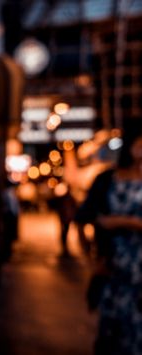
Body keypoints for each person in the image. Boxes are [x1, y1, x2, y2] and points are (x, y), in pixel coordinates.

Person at [76, 128, 142, 355]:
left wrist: (124, 222)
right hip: (113, 268)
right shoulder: (106, 179)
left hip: (138, 270)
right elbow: (83, 218)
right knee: (110, 334)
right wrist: (91, 258)